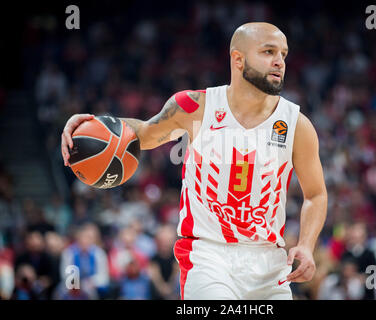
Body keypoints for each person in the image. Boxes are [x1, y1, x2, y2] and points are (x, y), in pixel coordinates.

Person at [61, 22, 328, 300]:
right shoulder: (195, 106)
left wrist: (307, 245)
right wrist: (87, 124)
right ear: (238, 59)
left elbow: (316, 194)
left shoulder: (296, 124)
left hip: (269, 262)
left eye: (283, 54)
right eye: (268, 51)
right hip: (208, 257)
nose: (279, 62)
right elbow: (142, 132)